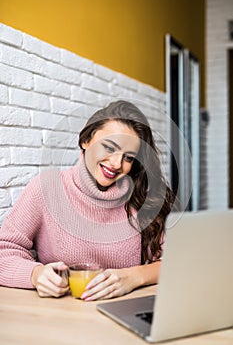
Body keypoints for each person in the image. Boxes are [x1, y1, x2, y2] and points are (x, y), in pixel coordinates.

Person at [0, 100, 174, 300]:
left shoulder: (141, 198)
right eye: (109, 147)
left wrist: (133, 276)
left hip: (120, 313)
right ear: (86, 140)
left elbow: (175, 261)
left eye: (128, 157)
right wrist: (35, 274)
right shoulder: (48, 188)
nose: (117, 163)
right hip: (61, 317)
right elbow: (4, 251)